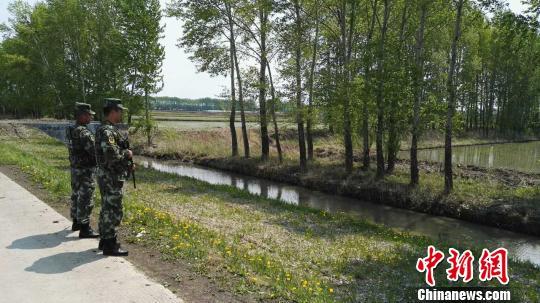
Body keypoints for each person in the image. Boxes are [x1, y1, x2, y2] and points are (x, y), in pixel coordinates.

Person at [95, 98, 133, 256]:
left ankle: (105, 240)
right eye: (120, 111)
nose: (122, 113)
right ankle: (110, 245)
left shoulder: (107, 129)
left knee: (106, 208)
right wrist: (127, 154)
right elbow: (112, 155)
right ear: (113, 111)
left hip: (108, 176)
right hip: (110, 177)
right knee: (113, 209)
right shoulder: (107, 131)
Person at [66, 102, 100, 238]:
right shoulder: (84, 132)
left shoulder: (71, 129)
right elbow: (94, 152)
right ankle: (85, 228)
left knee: (75, 195)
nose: (90, 118)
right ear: (82, 116)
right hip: (85, 170)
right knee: (86, 198)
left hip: (75, 169)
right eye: (89, 116)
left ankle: (76, 222)